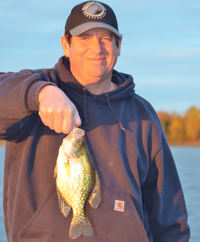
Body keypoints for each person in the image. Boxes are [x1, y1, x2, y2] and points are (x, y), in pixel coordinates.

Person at [0, 1, 190, 241]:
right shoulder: (31, 94)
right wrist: (40, 93)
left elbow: (168, 211)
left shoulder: (142, 114)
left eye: (106, 38)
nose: (97, 48)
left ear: (119, 46)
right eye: (85, 38)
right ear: (66, 45)